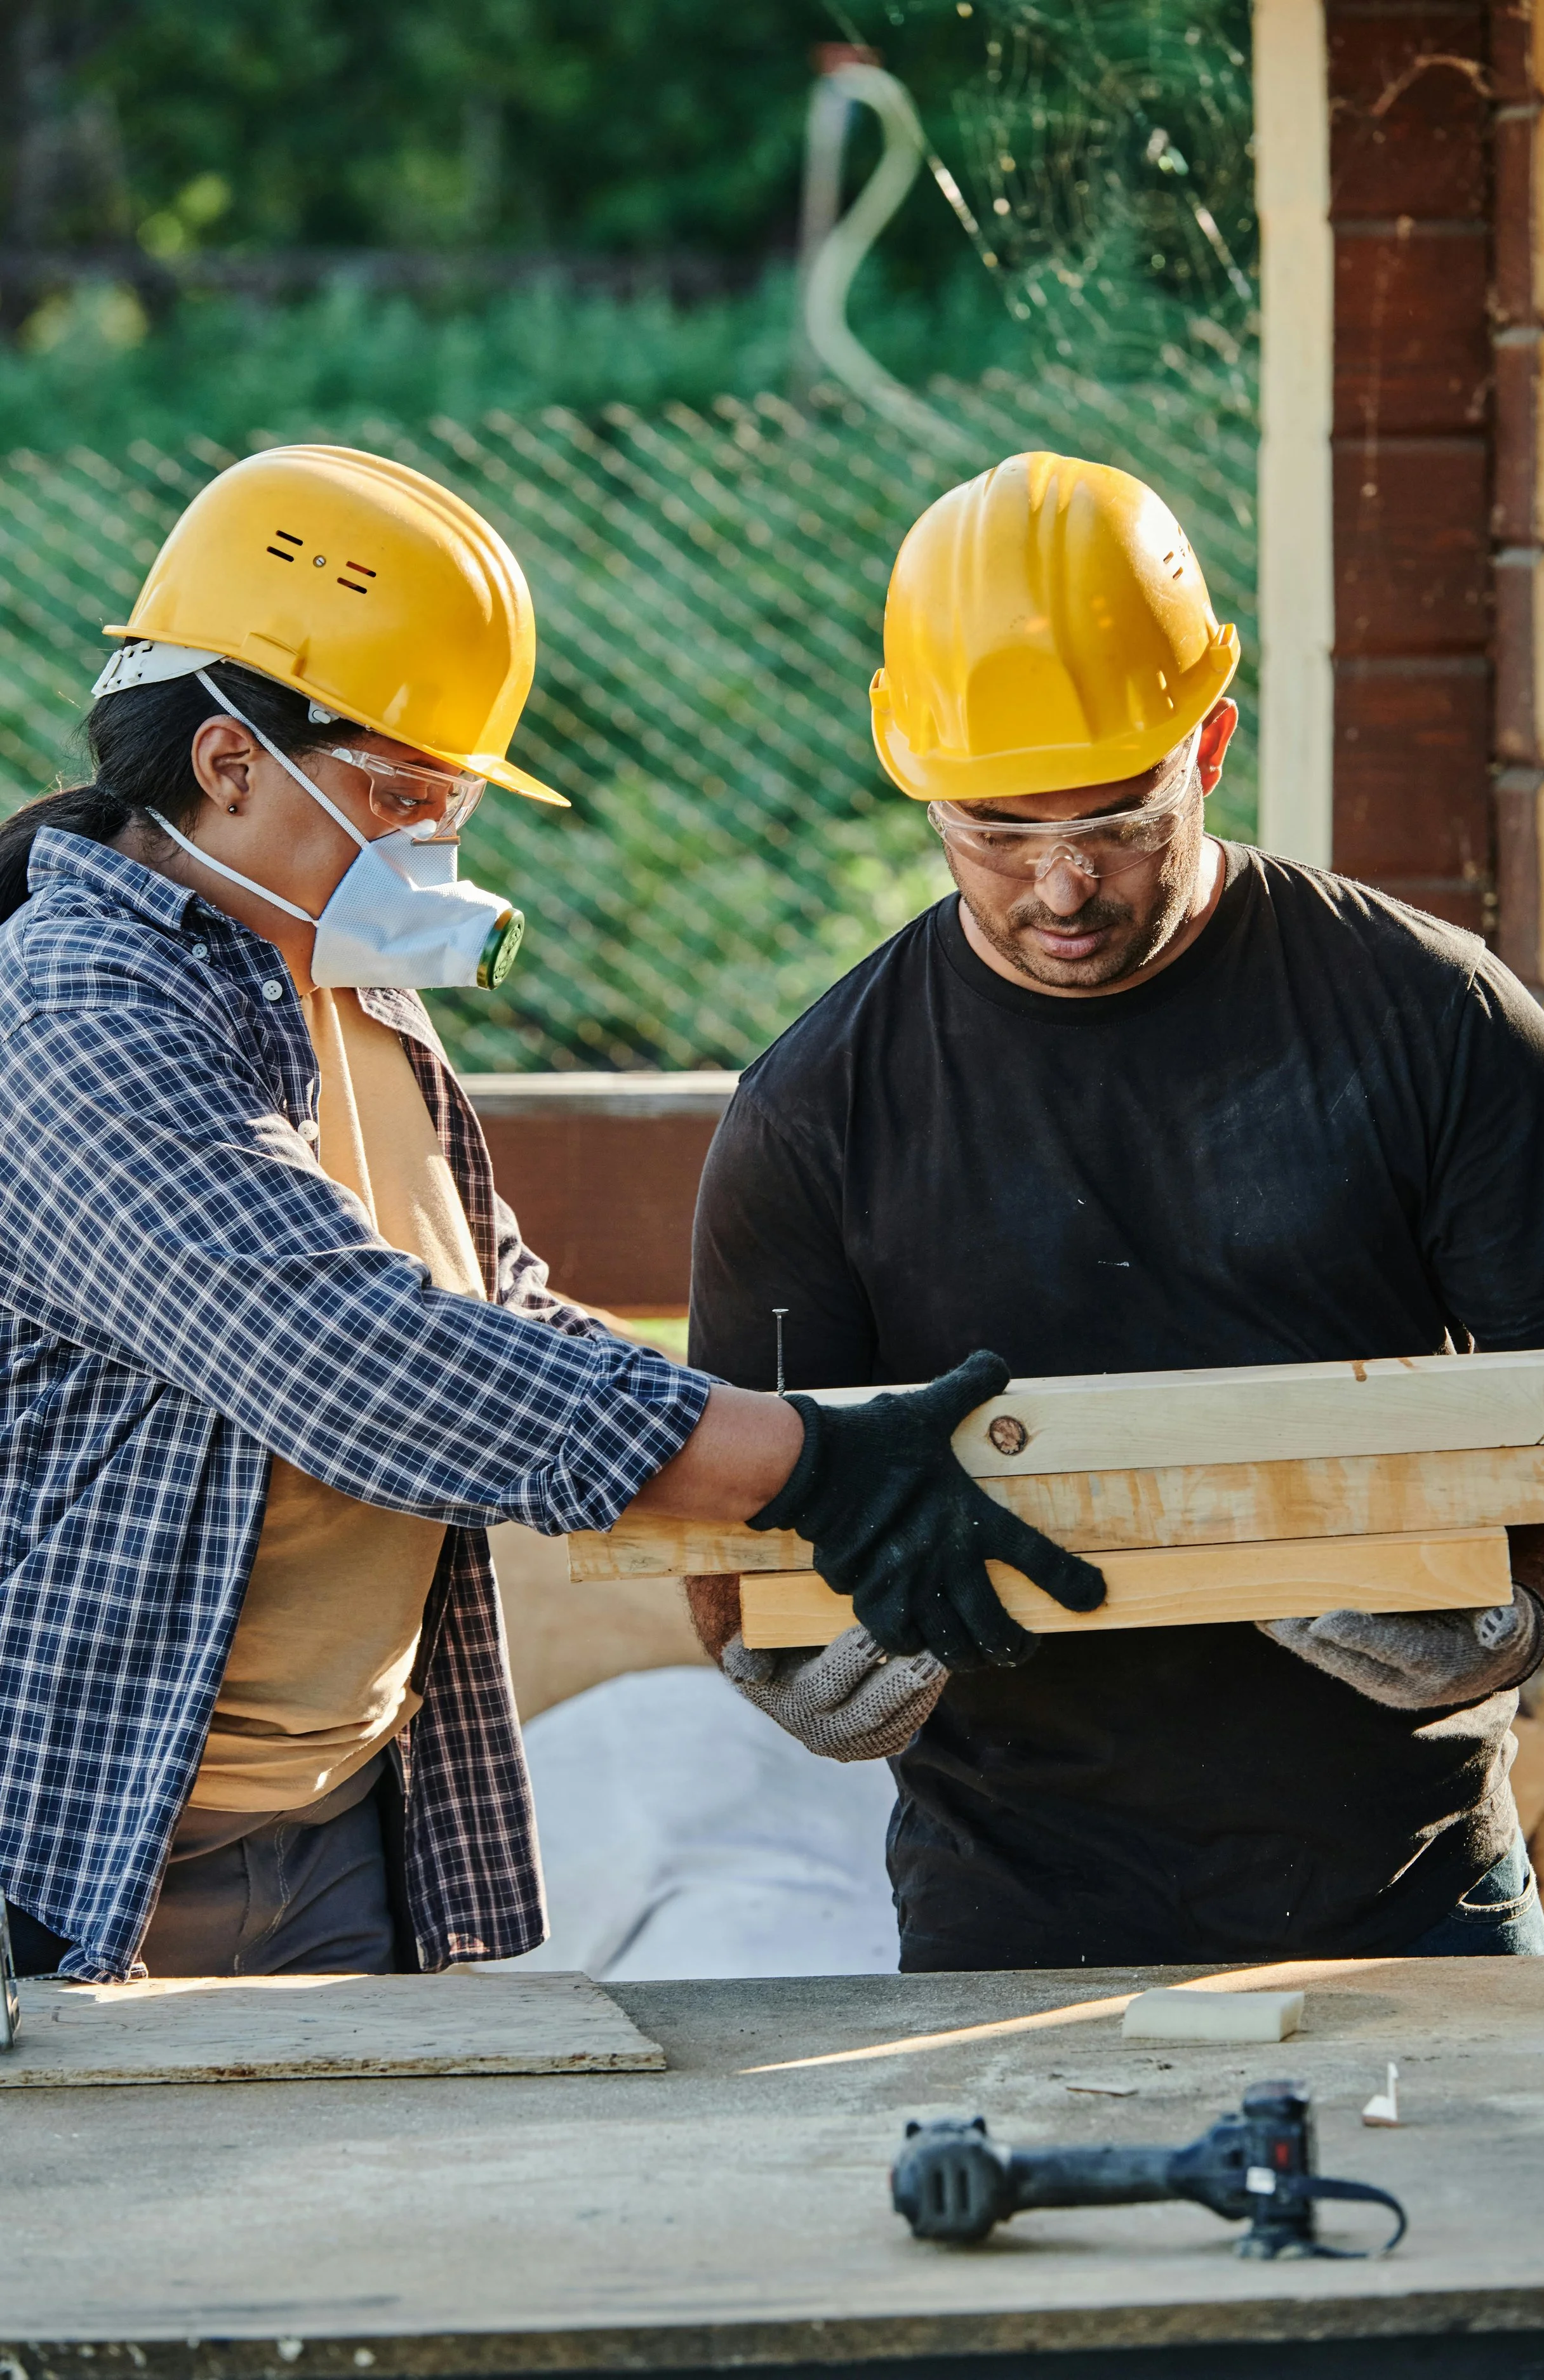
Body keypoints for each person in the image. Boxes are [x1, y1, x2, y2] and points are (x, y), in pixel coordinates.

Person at [0, 444, 1100, 1985]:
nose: (428, 851)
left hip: (339, 1820)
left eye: (450, 806)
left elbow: (496, 1308)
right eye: (399, 795)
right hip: (95, 1845)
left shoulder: (350, 984)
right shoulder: (81, 1014)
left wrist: (783, 1469)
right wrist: (805, 1467)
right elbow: (345, 1358)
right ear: (227, 762)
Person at [687, 449, 1544, 1970]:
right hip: (1007, 1893)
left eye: (1113, 820)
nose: (1059, 887)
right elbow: (720, 1504)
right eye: (994, 830)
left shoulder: (1433, 1023)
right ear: (917, 781)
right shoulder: (817, 1107)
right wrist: (778, 1657)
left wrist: (1522, 1613)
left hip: (1410, 1872)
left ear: (1209, 745)